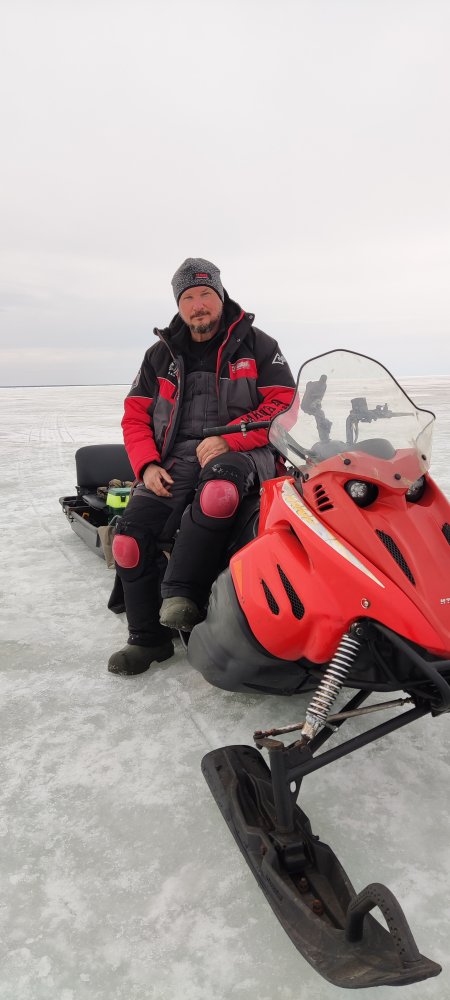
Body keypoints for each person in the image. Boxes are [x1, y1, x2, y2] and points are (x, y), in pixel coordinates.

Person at [107, 257, 296, 676]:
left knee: (219, 493)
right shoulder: (159, 356)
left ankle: (183, 595)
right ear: (178, 305)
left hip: (245, 450)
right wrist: (147, 465)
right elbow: (135, 416)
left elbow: (283, 406)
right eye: (188, 297)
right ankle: (147, 639)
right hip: (174, 459)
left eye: (205, 294)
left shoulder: (259, 346)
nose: (198, 305)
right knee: (128, 541)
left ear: (220, 295)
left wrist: (232, 437)